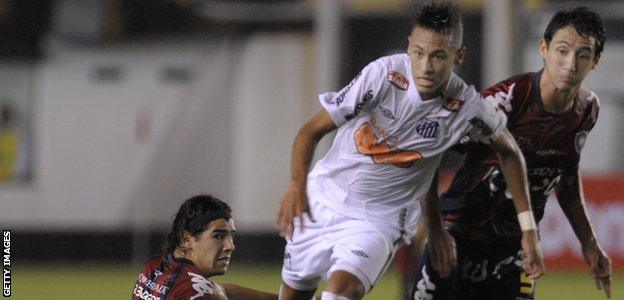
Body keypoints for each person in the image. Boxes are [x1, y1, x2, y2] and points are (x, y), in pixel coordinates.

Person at [276, 1, 544, 299]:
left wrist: (528, 228)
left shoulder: (468, 108)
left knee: (339, 294)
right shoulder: (383, 76)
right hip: (320, 200)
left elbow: (509, 152)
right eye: (419, 53)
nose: (426, 66)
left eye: (438, 56)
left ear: (459, 55)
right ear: (409, 47)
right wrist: (297, 184)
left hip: (378, 221)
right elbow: (309, 131)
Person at [411, 6, 612, 300]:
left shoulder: (587, 111)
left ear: (594, 61)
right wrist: (434, 226)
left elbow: (565, 180)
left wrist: (589, 243)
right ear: (544, 49)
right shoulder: (506, 101)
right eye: (562, 51)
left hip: (515, 249)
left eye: (583, 54)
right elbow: (429, 151)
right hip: (459, 238)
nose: (570, 64)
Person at [132, 194, 277, 300]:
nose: (230, 246)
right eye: (218, 236)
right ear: (186, 238)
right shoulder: (197, 292)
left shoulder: (152, 266)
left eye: (231, 235)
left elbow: (222, 292)